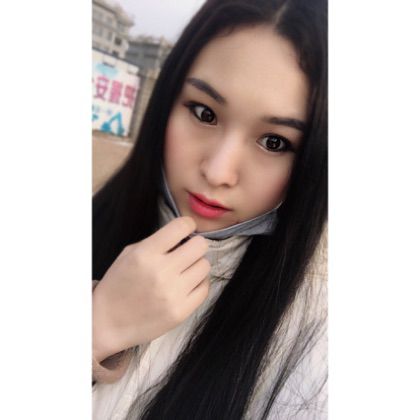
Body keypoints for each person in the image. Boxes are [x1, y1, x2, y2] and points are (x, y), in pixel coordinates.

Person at [92, 0, 328, 418]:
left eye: (274, 142)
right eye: (204, 113)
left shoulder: (318, 349)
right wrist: (97, 329)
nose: (218, 172)